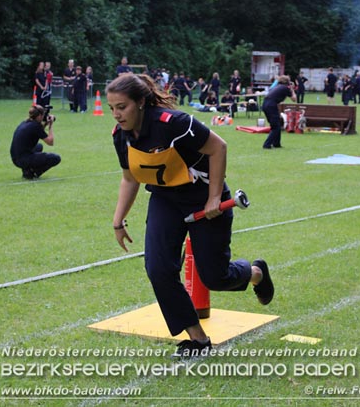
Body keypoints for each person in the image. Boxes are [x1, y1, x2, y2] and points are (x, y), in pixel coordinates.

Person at [106, 73, 274, 357]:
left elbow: (218, 147)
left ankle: (256, 273)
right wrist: (118, 220)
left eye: (122, 107)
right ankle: (197, 340)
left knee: (214, 278)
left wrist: (213, 198)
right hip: (165, 199)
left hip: (204, 199)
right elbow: (130, 178)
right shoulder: (120, 136)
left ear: (141, 102)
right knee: (158, 269)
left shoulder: (175, 124)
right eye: (111, 108)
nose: (116, 115)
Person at [10, 105, 61, 179]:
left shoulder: (25, 122)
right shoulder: (36, 126)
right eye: (43, 115)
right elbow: (50, 142)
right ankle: (32, 172)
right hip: (23, 160)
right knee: (56, 158)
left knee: (39, 146)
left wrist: (45, 123)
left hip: (15, 158)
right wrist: (50, 125)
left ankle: (26, 169)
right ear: (39, 115)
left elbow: (38, 132)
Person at [262, 75, 297, 149]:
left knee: (276, 124)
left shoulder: (277, 87)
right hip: (271, 106)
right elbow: (294, 99)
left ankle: (276, 144)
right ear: (287, 82)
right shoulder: (285, 88)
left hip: (265, 104)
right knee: (276, 127)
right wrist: (292, 89)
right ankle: (267, 145)